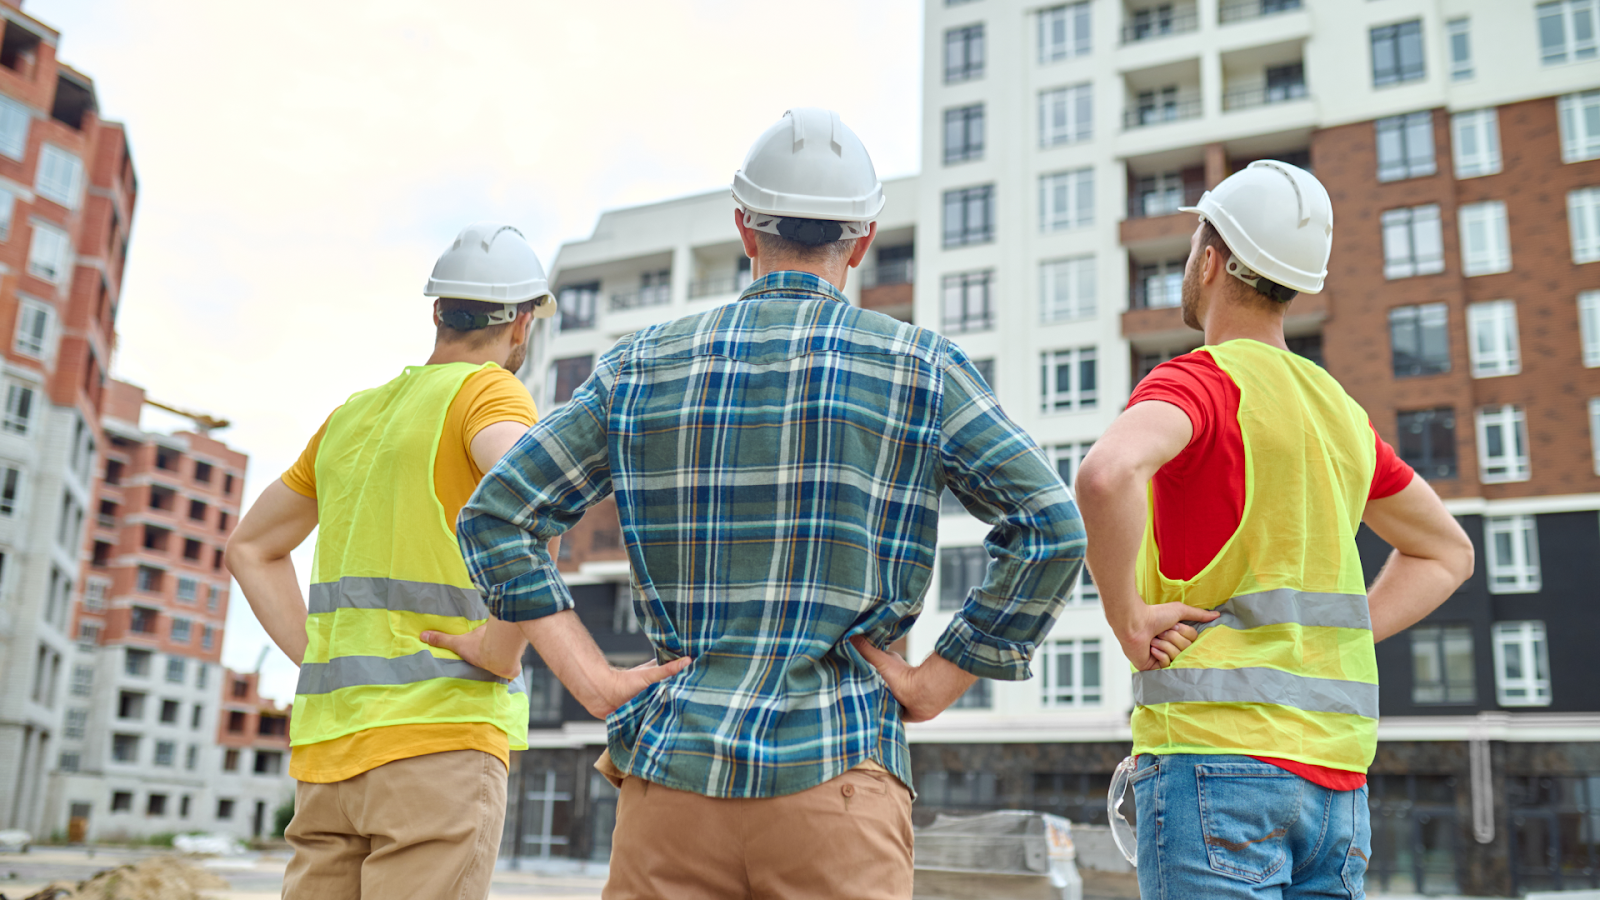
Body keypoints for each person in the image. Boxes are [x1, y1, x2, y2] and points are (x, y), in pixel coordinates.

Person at [454, 108, 1085, 900]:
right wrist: (937, 682)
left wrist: (590, 679)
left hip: (672, 779)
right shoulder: (920, 366)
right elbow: (1051, 528)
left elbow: (497, 513)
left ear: (745, 229)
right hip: (839, 780)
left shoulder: (641, 366)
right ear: (860, 241)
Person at [1075, 161, 1475, 899]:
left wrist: (1128, 621)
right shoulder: (1341, 415)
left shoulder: (1200, 380)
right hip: (1337, 791)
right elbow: (1447, 550)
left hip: (1214, 766)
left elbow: (1105, 474)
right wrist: (1342, 635)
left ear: (1212, 259)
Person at [225, 222, 557, 899]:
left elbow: (250, 548)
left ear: (437, 311)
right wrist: (501, 646)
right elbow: (536, 496)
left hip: (330, 760)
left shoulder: (351, 418)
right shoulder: (488, 393)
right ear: (523, 323)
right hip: (437, 746)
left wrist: (322, 654)